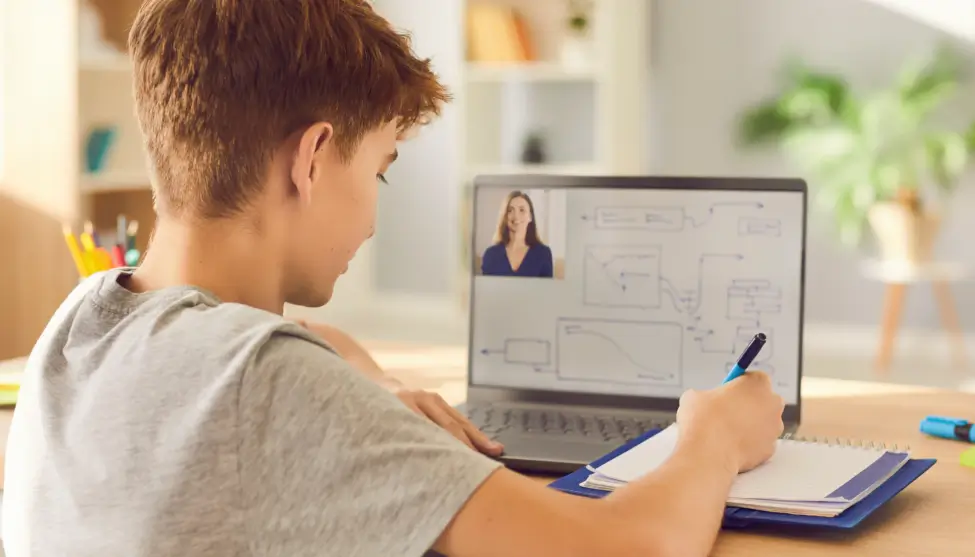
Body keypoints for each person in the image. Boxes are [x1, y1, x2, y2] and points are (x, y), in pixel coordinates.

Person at [1, 1, 785, 556]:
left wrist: (364, 385)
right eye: (380, 170)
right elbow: (626, 548)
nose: (374, 217)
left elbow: (297, 346)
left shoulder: (81, 323)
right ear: (311, 160)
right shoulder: (265, 383)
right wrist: (711, 436)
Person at [481, 191, 554, 278]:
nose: (516, 216)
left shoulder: (543, 254)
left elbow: (546, 291)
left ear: (530, 217)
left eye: (522, 210)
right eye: (510, 210)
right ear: (505, 216)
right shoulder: (491, 255)